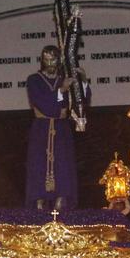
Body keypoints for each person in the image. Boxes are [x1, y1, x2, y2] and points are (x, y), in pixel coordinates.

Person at [25, 45, 86, 211]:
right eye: (47, 59)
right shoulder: (34, 80)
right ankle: (39, 202)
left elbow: (80, 103)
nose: (50, 62)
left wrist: (83, 82)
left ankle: (62, 201)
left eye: (54, 59)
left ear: (60, 61)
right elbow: (43, 105)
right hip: (41, 129)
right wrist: (62, 90)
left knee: (63, 165)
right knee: (39, 165)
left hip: (61, 129)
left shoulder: (65, 78)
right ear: (42, 60)